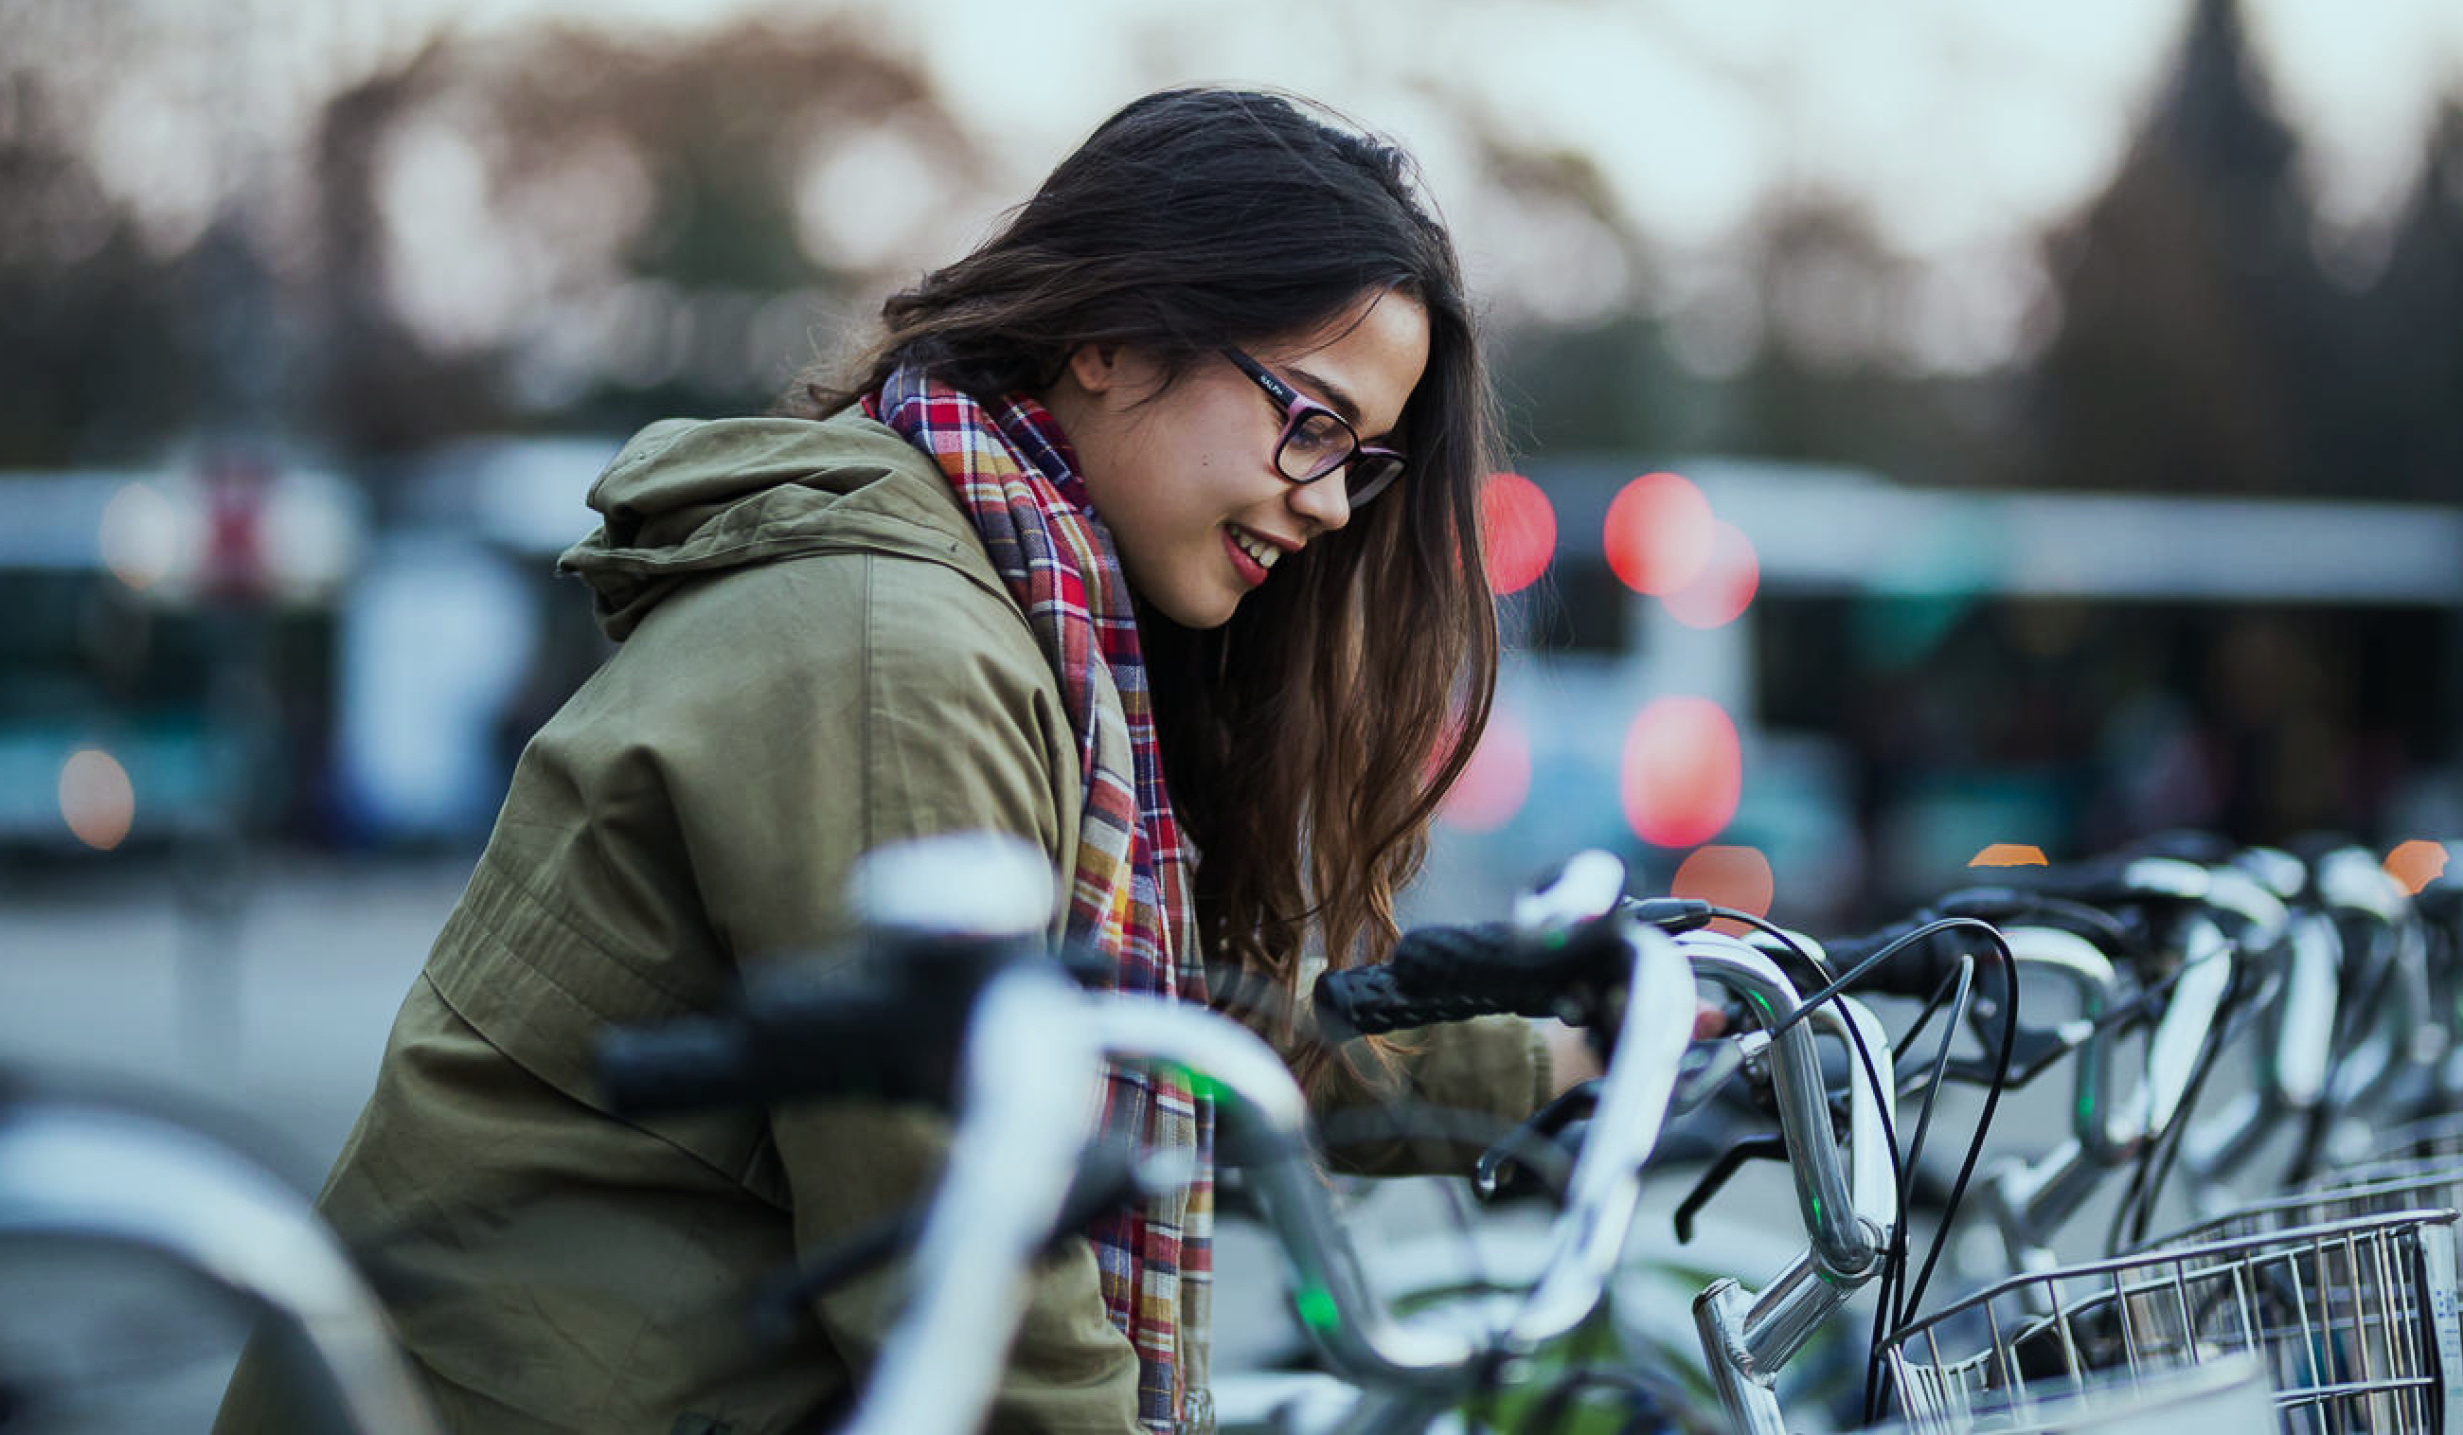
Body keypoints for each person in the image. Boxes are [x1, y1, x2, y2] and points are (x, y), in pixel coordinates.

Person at [214, 88, 1569, 1435]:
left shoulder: (1035, 625)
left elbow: (1187, 1038)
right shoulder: (901, 650)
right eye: (1313, 422)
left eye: (1363, 461)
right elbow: (969, 1260)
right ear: (1110, 331)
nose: (1331, 503)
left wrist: (1561, 1067)